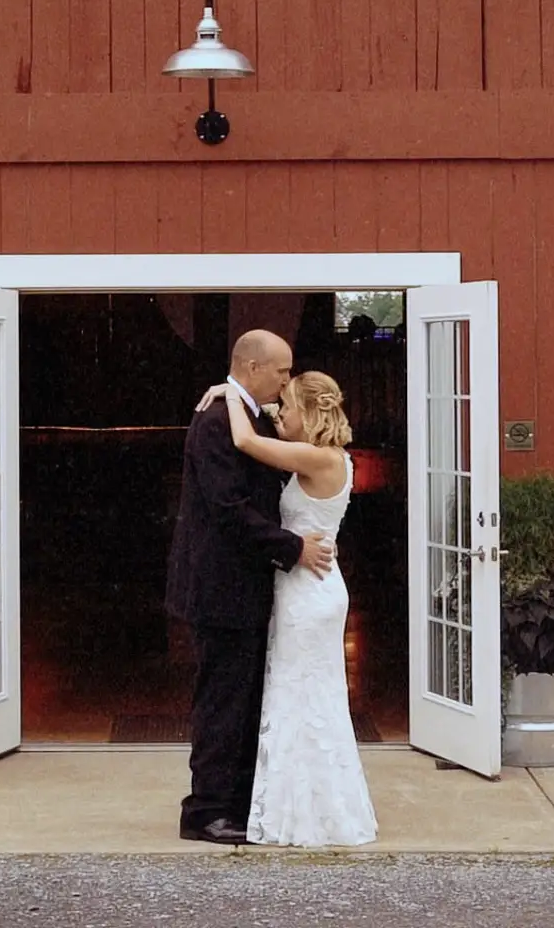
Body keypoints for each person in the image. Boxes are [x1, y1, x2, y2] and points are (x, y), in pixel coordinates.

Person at [165, 331, 334, 846]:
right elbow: (227, 509)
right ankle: (205, 810)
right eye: (281, 371)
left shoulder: (247, 415)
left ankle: (238, 800)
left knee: (243, 698)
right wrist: (291, 547)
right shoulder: (215, 420)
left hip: (248, 587)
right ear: (253, 367)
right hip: (220, 587)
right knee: (222, 699)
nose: (287, 381)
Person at [199, 370, 378, 848]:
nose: (280, 414)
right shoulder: (327, 459)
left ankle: (299, 810)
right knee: (305, 697)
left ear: (311, 414)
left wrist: (228, 391)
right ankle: (306, 803)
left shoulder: (314, 457)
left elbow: (242, 439)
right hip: (309, 586)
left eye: (288, 407)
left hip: (308, 592)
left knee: (299, 697)